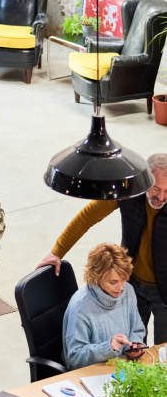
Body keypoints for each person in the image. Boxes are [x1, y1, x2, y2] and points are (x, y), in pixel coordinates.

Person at [37, 153, 167, 345]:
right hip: (131, 287)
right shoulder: (128, 192)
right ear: (145, 180)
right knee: (133, 348)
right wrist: (57, 252)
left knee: (163, 355)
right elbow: (88, 216)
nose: (161, 196)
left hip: (164, 291)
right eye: (156, 188)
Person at [62, 243, 146, 370]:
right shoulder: (81, 306)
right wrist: (107, 348)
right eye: (113, 282)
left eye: (123, 279)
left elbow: (137, 329)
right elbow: (74, 357)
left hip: (122, 367)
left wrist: (134, 345)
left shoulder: (128, 291)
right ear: (96, 277)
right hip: (92, 373)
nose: (121, 287)